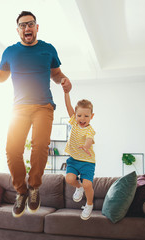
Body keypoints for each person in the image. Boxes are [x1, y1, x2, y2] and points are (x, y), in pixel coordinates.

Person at [0, 11, 72, 218]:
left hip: (43, 106)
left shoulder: (48, 49)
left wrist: (65, 80)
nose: (27, 28)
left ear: (37, 27)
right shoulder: (10, 52)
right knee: (12, 150)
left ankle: (34, 187)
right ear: (18, 30)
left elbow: (56, 74)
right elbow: (1, 76)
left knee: (40, 146)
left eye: (30, 24)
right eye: (22, 25)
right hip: (18, 108)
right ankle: (22, 191)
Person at [63, 87, 96, 220]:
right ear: (75, 115)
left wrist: (86, 146)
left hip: (87, 161)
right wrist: (66, 92)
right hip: (73, 159)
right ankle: (79, 187)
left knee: (88, 184)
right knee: (69, 179)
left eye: (86, 116)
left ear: (91, 116)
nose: (82, 118)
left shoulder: (90, 130)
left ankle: (89, 204)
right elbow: (68, 105)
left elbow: (89, 140)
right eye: (79, 115)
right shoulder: (74, 123)